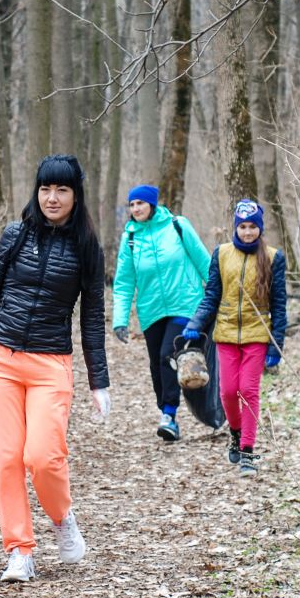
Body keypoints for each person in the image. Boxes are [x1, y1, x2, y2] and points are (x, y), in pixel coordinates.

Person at [0, 155, 110, 583]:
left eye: (62, 190)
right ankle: (20, 550)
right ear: (36, 192)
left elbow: (92, 315)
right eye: (45, 189)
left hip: (50, 362)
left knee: (42, 456)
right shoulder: (16, 235)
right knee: (5, 459)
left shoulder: (87, 247)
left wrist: (100, 381)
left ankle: (62, 518)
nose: (52, 198)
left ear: (76, 195)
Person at [183, 199, 287, 477]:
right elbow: (211, 296)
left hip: (257, 334)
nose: (248, 232)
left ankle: (248, 452)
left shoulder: (274, 258)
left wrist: (277, 344)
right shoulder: (221, 254)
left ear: (260, 228)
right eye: (243, 226)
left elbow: (279, 305)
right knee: (229, 392)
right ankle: (236, 431)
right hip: (226, 334)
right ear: (236, 227)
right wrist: (196, 323)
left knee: (248, 391)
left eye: (253, 226)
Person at [111, 184, 211, 442]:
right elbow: (123, 282)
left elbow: (204, 262)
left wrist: (216, 299)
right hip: (151, 310)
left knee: (169, 353)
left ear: (152, 205)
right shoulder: (130, 239)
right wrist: (120, 320)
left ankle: (169, 415)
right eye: (132, 205)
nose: (135, 209)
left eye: (140, 204)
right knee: (157, 363)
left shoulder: (178, 226)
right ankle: (167, 411)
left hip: (186, 303)